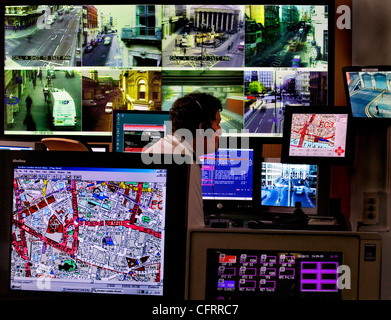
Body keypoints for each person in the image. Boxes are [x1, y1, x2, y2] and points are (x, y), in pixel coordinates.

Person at [143, 92, 222, 228]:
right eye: (217, 124)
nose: (220, 131)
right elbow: (193, 234)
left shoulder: (159, 150)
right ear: (202, 128)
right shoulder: (185, 164)